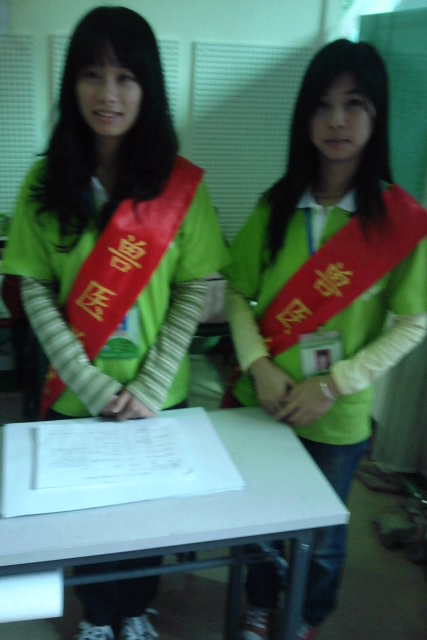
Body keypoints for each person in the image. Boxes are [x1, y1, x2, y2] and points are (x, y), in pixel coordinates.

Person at [1, 6, 227, 640]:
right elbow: (35, 289)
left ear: (147, 88)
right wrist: (89, 382)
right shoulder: (45, 181)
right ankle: (99, 617)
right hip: (76, 394)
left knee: (146, 521)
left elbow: (193, 290)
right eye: (92, 75)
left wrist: (150, 384)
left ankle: (136, 610)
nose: (108, 94)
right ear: (71, 84)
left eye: (126, 76)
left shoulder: (179, 185)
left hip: (158, 396)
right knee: (87, 520)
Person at [223, 39, 427, 640]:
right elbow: (237, 293)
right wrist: (259, 365)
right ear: (304, 116)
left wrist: (335, 384)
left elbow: (414, 321)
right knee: (260, 520)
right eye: (322, 105)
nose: (337, 120)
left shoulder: (397, 221)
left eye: (354, 103)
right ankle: (260, 606)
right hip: (267, 402)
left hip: (338, 417)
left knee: (325, 533)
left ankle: (305, 618)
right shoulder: (276, 206)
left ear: (377, 114)